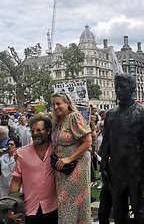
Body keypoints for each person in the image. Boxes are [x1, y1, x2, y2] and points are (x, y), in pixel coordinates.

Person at [100, 73, 144, 224]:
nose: (118, 90)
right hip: (116, 171)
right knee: (119, 212)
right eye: (116, 87)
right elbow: (106, 143)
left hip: (137, 170)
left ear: (132, 88)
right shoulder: (110, 115)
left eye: (122, 87)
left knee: (140, 213)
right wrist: (103, 166)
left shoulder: (142, 113)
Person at [51, 92, 93, 223]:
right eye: (53, 104)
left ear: (67, 103)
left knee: (74, 203)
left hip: (76, 169)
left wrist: (69, 158)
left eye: (59, 103)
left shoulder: (74, 117)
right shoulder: (58, 122)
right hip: (62, 171)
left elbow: (88, 141)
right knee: (65, 204)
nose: (56, 107)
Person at [8, 115, 58, 224]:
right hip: (30, 209)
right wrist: (10, 204)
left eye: (39, 130)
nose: (35, 133)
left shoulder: (56, 151)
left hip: (53, 208)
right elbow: (16, 180)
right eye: (33, 130)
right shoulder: (21, 153)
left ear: (48, 131)